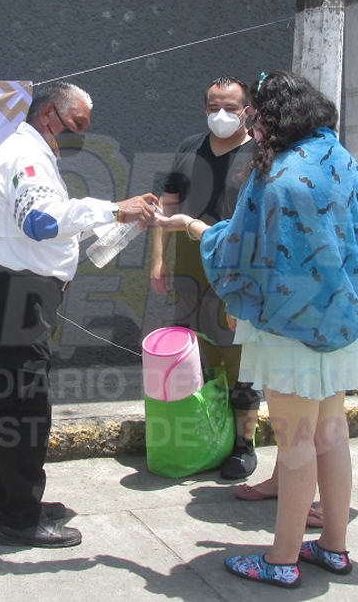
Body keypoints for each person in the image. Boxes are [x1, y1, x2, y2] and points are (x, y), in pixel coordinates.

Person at [155, 70, 358, 588]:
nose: (249, 126)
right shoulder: (339, 158)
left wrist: (189, 226)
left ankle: (280, 560)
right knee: (331, 434)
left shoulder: (274, 173)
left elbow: (240, 248)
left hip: (288, 327)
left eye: (255, 117)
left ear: (273, 117)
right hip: (342, 319)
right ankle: (335, 547)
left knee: (296, 443)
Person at [0, 81, 160, 548]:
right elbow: (42, 222)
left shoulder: (28, 152)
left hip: (18, 294)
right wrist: (116, 209)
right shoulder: (27, 157)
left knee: (13, 404)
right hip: (21, 296)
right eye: (76, 125)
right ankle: (20, 518)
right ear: (49, 115)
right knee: (25, 408)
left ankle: (13, 500)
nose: (79, 135)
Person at [149, 76, 262, 480]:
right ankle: (209, 434)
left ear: (248, 110)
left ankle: (243, 446)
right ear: (204, 109)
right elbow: (168, 204)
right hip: (189, 269)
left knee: (239, 358)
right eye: (214, 106)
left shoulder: (261, 154)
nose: (222, 115)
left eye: (231, 107)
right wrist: (159, 259)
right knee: (197, 354)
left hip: (238, 270)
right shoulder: (188, 149)